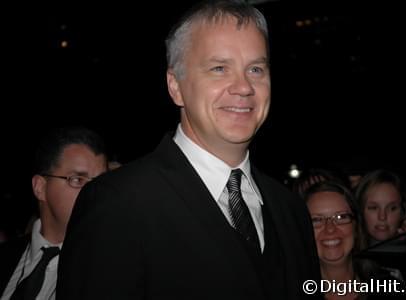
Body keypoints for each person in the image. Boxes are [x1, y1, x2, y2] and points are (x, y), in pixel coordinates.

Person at [56, 1, 321, 299]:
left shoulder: (291, 209)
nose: (244, 87)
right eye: (220, 68)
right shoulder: (118, 204)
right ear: (175, 86)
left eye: (256, 69)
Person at [0, 126, 108, 300]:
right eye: (77, 180)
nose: (93, 193)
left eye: (100, 182)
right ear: (40, 187)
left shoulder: (109, 267)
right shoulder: (5, 256)